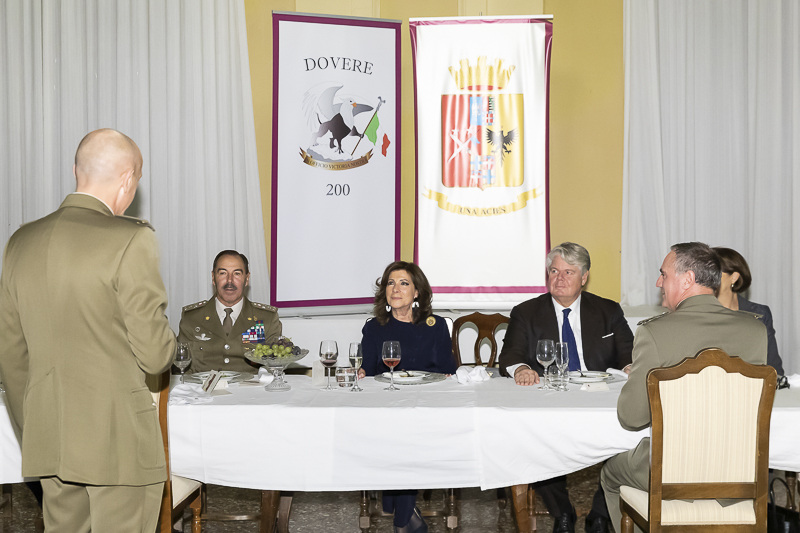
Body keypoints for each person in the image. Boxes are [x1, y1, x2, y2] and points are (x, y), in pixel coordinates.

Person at [0, 129, 176, 532]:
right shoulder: (132, 239)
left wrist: (38, 427)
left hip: (51, 439)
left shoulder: (20, 243)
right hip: (119, 444)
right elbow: (154, 355)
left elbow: (11, 356)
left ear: (75, 171)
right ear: (129, 179)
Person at [601, 242, 768, 533]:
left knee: (610, 474)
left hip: (672, 474)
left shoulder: (654, 332)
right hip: (738, 473)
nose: (658, 282)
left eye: (663, 274)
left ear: (688, 280)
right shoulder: (754, 330)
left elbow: (631, 417)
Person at [498, 242, 634, 533]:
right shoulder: (526, 312)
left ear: (584, 277)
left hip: (598, 396)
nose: (559, 279)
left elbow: (628, 353)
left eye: (568, 272)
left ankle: (601, 513)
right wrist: (521, 369)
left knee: (628, 436)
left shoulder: (608, 310)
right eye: (554, 271)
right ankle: (562, 512)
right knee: (534, 441)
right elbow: (509, 355)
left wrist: (629, 367)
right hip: (551, 397)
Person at [359, 261, 456, 533]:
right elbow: (367, 369)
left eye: (404, 283)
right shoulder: (375, 327)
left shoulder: (434, 325)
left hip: (427, 405)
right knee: (400, 432)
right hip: (387, 405)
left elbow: (448, 368)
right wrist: (361, 371)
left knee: (409, 432)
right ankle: (405, 519)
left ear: (417, 292)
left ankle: (402, 518)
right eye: (391, 283)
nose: (396, 288)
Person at [179, 250, 281, 373]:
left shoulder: (267, 318)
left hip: (249, 391)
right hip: (203, 390)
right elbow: (182, 369)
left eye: (237, 273)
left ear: (247, 279)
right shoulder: (192, 318)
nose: (229, 281)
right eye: (223, 273)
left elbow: (274, 368)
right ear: (213, 277)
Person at [713, 246, 784, 375]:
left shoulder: (760, 314)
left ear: (734, 277)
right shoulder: (698, 313)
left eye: (714, 273)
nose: (707, 279)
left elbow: (774, 368)